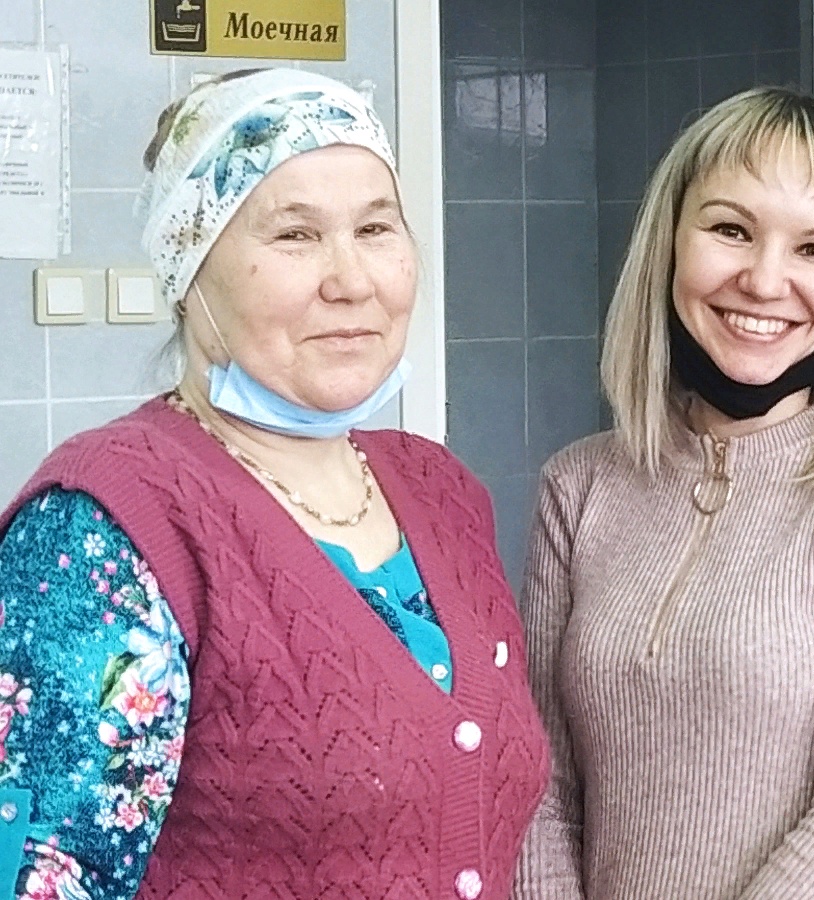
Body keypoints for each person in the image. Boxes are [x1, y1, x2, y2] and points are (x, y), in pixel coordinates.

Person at [0, 68, 548, 899]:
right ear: (190, 270)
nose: (352, 280)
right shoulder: (104, 526)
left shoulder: (442, 490)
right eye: (295, 235)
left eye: (376, 228)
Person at [513, 86, 814, 899]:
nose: (764, 281)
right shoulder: (577, 486)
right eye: (730, 230)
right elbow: (538, 790)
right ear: (669, 244)